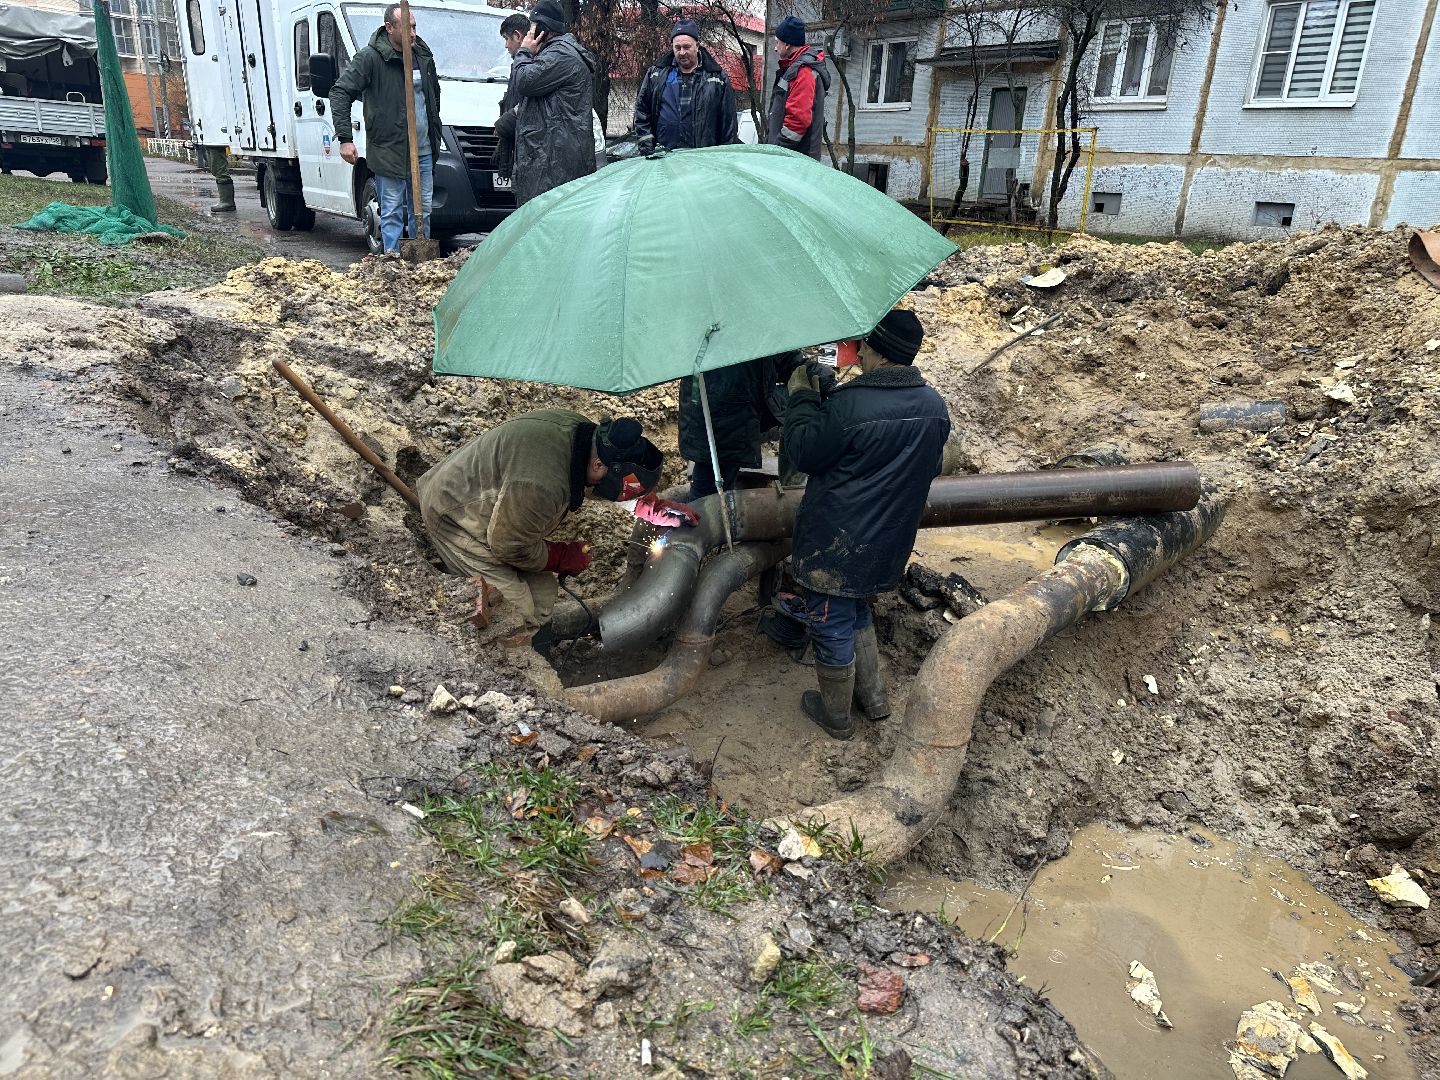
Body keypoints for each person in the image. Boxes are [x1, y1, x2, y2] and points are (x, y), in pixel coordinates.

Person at [783, 309, 951, 739]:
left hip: (836, 537)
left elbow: (804, 453)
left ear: (876, 351)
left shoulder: (851, 404)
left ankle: (835, 714)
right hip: (888, 538)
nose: (858, 354)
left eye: (863, 346)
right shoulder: (934, 406)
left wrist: (802, 399)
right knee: (856, 607)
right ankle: (873, 698)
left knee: (829, 616)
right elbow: (924, 467)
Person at [417, 411, 698, 648]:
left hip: (495, 509)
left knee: (543, 592)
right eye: (624, 489)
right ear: (600, 465)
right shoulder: (543, 486)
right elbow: (508, 545)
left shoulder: (584, 439)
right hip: (456, 519)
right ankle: (517, 685)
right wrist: (560, 556)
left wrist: (649, 508)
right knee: (515, 614)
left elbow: (590, 480)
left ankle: (539, 649)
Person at [329, 2, 441, 254]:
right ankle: (391, 264)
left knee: (422, 211)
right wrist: (345, 138)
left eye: (414, 27)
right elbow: (340, 92)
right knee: (390, 212)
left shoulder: (422, 54)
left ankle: (418, 265)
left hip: (423, 149)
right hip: (389, 150)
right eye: (407, 28)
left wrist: (435, 134)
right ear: (389, 28)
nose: (413, 34)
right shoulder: (370, 58)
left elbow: (433, 99)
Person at [510, 0, 598, 206]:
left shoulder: (561, 55)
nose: (528, 34)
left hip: (554, 161)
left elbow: (523, 82)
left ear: (543, 29)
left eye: (532, 27)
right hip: (550, 156)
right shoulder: (554, 53)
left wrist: (524, 52)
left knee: (542, 222)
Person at [634, 19, 739, 152]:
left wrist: (724, 158)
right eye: (677, 48)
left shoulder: (717, 78)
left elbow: (728, 125)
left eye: (686, 47)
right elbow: (642, 112)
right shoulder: (656, 75)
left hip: (702, 161)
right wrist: (647, 148)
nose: (682, 52)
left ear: (697, 46)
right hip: (664, 160)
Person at [766, 16, 829, 160]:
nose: (775, 48)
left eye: (777, 43)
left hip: (795, 162)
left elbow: (797, 122)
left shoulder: (803, 72)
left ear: (787, 44)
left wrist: (776, 151)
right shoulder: (796, 69)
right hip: (794, 159)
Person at [490, 12, 531, 184]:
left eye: (507, 39)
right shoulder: (519, 64)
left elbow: (526, 105)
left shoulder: (529, 64)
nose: (506, 45)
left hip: (526, 150)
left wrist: (503, 124)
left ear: (517, 36)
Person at [203, 145, 235, 213]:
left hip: (216, 142)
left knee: (220, 170)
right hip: (210, 142)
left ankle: (227, 202)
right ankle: (226, 202)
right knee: (216, 169)